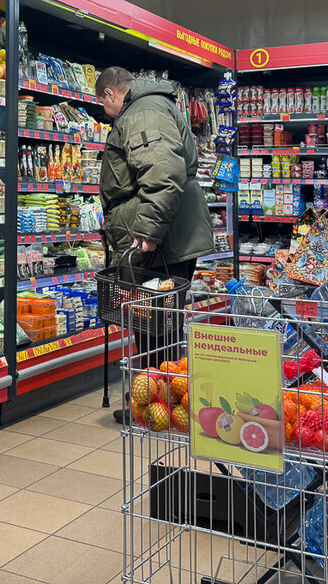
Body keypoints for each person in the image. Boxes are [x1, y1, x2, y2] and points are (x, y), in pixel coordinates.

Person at [96, 67, 213, 421]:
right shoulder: (150, 107)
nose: (106, 113)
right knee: (158, 326)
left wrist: (147, 230)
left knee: (154, 328)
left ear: (110, 94)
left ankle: (157, 410)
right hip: (167, 237)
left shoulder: (143, 112)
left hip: (162, 242)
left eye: (103, 105)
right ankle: (155, 399)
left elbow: (163, 173)